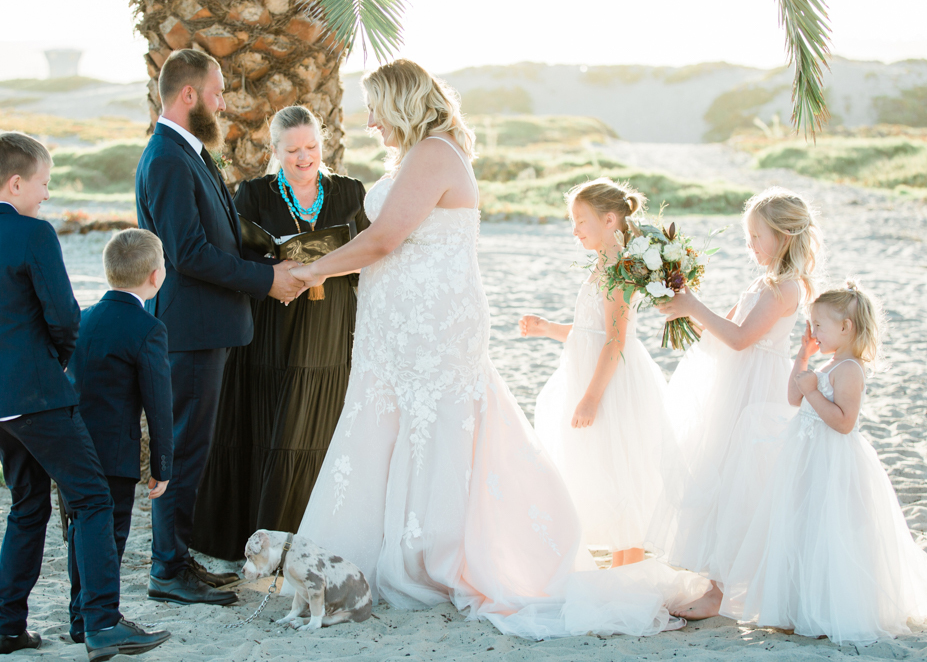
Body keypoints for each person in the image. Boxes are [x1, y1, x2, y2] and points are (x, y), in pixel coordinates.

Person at [288, 60, 707, 640]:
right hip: (403, 326)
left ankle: (436, 556)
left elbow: (385, 239)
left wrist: (310, 272)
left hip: (433, 326)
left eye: (375, 107)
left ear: (402, 103)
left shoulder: (434, 153)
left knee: (437, 430)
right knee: (397, 427)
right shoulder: (423, 155)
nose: (369, 121)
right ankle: (394, 551)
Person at [0, 131, 168, 658]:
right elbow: (65, 319)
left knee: (27, 507)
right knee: (91, 499)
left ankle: (7, 626)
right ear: (17, 182)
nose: (45, 194)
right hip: (39, 395)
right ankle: (103, 623)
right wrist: (47, 361)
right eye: (42, 183)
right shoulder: (34, 235)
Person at [135, 49, 304, 606]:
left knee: (194, 450)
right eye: (217, 91)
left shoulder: (191, 153)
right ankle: (166, 571)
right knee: (181, 452)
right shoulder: (165, 158)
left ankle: (177, 562)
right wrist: (265, 280)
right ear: (189, 96)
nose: (223, 101)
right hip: (190, 331)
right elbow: (189, 254)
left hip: (210, 329)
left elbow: (218, 240)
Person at [721, 282, 927, 643]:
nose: (812, 331)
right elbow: (793, 397)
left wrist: (814, 389)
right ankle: (797, 604)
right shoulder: (826, 363)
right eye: (810, 324)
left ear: (846, 328)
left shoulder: (849, 371)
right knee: (801, 524)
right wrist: (803, 357)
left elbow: (844, 423)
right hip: (805, 458)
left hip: (833, 460)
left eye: (818, 326)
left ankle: (830, 605)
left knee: (831, 527)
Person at [193, 105, 369, 561]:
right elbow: (230, 255)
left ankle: (310, 537)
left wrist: (326, 267)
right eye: (292, 150)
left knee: (316, 422)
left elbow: (371, 252)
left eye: (311, 147)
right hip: (272, 320)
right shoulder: (252, 194)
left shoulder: (350, 192)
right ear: (274, 151)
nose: (304, 157)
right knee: (271, 420)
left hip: (329, 323)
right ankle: (260, 539)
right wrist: (276, 269)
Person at [651, 187, 822, 619]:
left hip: (757, 388)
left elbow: (743, 339)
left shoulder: (785, 287)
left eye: (756, 237)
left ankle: (720, 591)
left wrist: (693, 305)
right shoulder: (767, 281)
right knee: (723, 470)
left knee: (744, 478)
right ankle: (716, 581)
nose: (750, 245)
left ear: (783, 237)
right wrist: (685, 304)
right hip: (737, 383)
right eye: (748, 237)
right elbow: (728, 326)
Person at [522, 178, 682, 569]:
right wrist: (548, 329)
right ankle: (622, 562)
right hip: (593, 372)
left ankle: (629, 564)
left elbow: (614, 341)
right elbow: (591, 334)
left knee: (619, 467)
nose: (574, 229)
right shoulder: (604, 264)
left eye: (580, 221)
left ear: (610, 220)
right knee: (604, 467)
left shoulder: (619, 271)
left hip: (611, 382)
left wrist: (592, 397)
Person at [67, 229, 175, 644]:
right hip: (115, 451)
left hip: (75, 443)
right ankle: (102, 619)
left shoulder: (82, 318)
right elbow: (159, 405)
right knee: (109, 534)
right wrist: (162, 464)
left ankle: (81, 616)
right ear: (154, 276)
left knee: (81, 529)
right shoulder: (147, 328)